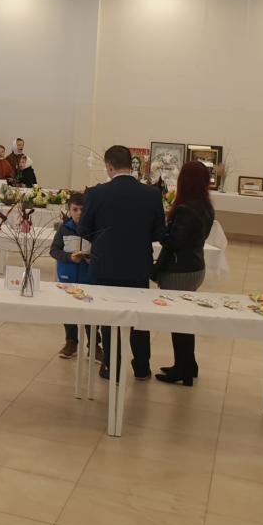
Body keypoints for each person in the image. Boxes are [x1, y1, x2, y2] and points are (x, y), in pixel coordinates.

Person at [78, 145, 168, 381]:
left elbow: (84, 229)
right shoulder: (151, 194)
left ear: (109, 166)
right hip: (138, 265)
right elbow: (159, 232)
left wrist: (103, 242)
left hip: (105, 264)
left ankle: (112, 366)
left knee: (109, 316)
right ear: (132, 165)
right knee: (138, 316)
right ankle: (142, 367)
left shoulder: (96, 193)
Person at [153, 161, 215, 386]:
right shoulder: (205, 206)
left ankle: (183, 368)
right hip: (195, 266)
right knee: (184, 318)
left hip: (180, 270)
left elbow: (174, 242)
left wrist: (159, 230)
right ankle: (188, 364)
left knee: (179, 321)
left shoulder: (186, 209)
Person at [51, 191, 89, 358]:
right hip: (68, 277)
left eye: (82, 209)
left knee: (91, 312)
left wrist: (91, 259)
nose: (79, 213)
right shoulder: (64, 229)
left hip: (89, 278)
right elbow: (54, 250)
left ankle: (95, 345)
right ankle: (71, 341)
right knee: (68, 310)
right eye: (75, 209)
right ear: (69, 210)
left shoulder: (93, 229)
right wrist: (69, 257)